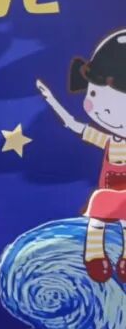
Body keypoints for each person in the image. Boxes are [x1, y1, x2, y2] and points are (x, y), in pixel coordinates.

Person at [37, 28, 126, 282]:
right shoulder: (109, 141)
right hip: (107, 193)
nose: (103, 110)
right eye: (94, 93)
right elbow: (75, 126)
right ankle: (94, 256)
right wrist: (52, 101)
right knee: (96, 219)